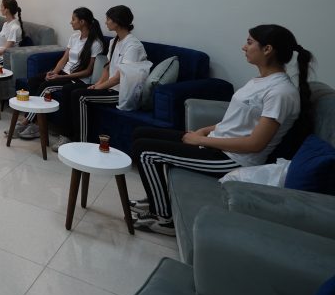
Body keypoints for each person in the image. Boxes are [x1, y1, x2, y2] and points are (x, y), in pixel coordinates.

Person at [129, 25, 311, 236]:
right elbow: (236, 121)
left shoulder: (281, 92)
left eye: (250, 42)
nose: (244, 47)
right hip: (217, 144)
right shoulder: (261, 81)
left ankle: (164, 218)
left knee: (145, 151)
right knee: (141, 132)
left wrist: (201, 141)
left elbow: (255, 144)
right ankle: (156, 199)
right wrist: (203, 131)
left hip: (232, 159)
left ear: (267, 49)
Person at [9, 7, 105, 140]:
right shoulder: (74, 37)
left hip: (77, 79)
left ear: (82, 22)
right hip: (63, 73)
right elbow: (64, 58)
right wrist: (53, 72)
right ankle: (36, 122)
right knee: (34, 80)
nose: (71, 22)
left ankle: (27, 121)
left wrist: (61, 76)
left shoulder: (95, 43)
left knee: (45, 87)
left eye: (73, 19)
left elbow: (88, 71)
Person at [58, 5, 147, 150]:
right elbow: (107, 68)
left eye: (108, 19)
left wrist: (98, 88)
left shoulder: (133, 46)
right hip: (109, 87)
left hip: (120, 92)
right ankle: (66, 135)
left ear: (117, 21)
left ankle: (81, 143)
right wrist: (97, 84)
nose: (105, 22)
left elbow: (118, 78)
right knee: (69, 89)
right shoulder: (114, 41)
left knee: (80, 96)